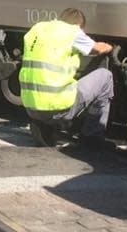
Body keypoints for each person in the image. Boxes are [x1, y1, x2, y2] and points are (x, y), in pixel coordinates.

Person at [20, 8, 115, 147]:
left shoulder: (37, 28)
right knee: (105, 77)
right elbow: (99, 49)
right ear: (79, 26)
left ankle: (46, 126)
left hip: (30, 107)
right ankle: (92, 136)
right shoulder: (72, 32)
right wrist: (110, 47)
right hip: (57, 108)